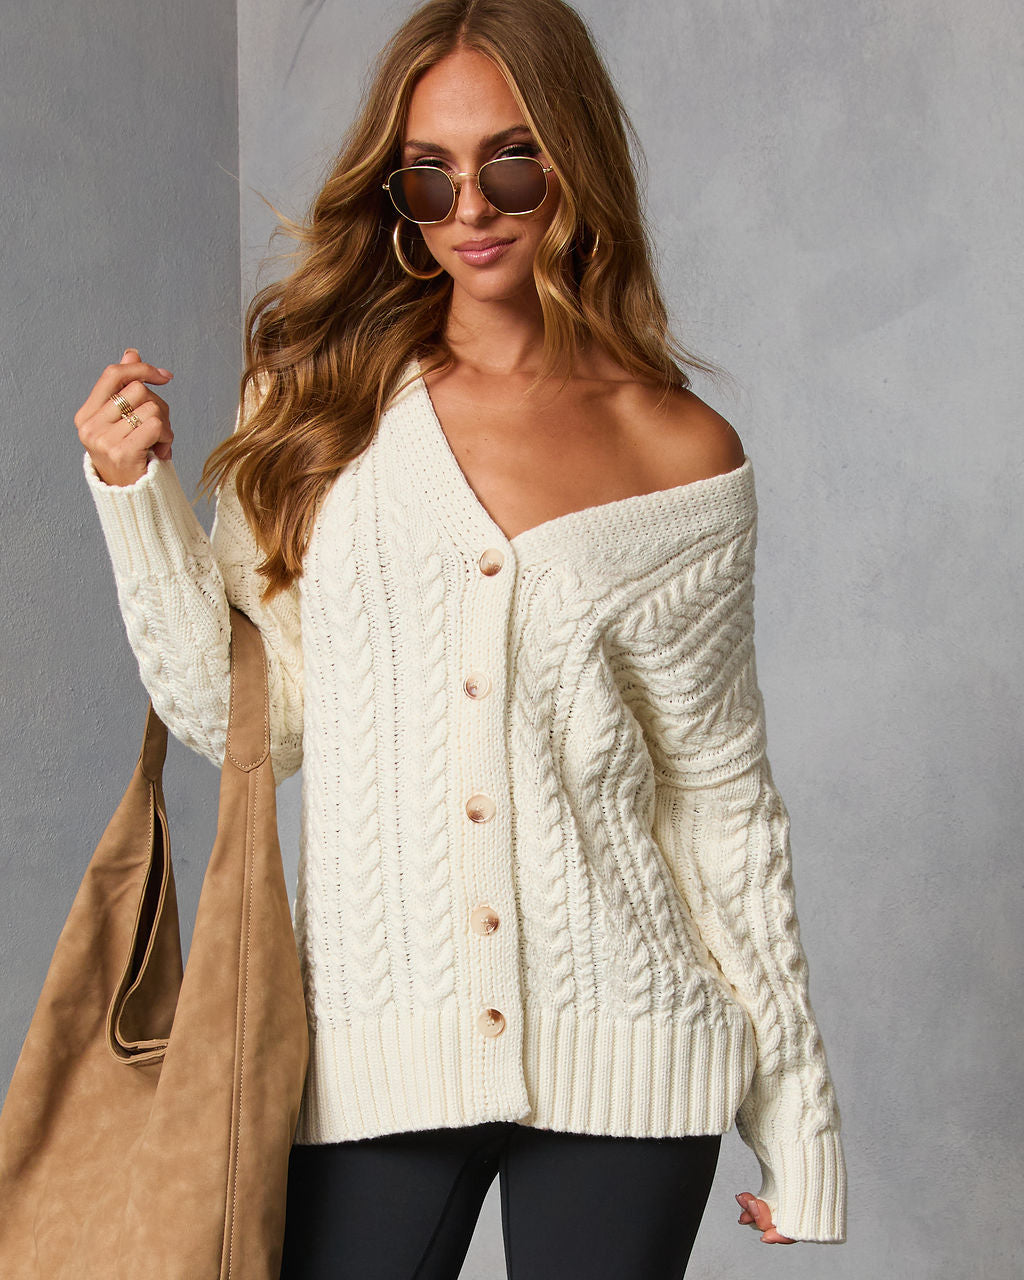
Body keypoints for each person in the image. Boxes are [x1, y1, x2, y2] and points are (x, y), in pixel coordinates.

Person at [73, 0, 847, 1275]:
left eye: (511, 163)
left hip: (632, 1044)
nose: (471, 208)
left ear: (573, 159)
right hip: (372, 1046)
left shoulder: (679, 450)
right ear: (398, 199)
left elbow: (719, 799)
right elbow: (252, 717)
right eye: (429, 177)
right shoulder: (319, 400)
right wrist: (133, 500)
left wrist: (797, 1122)